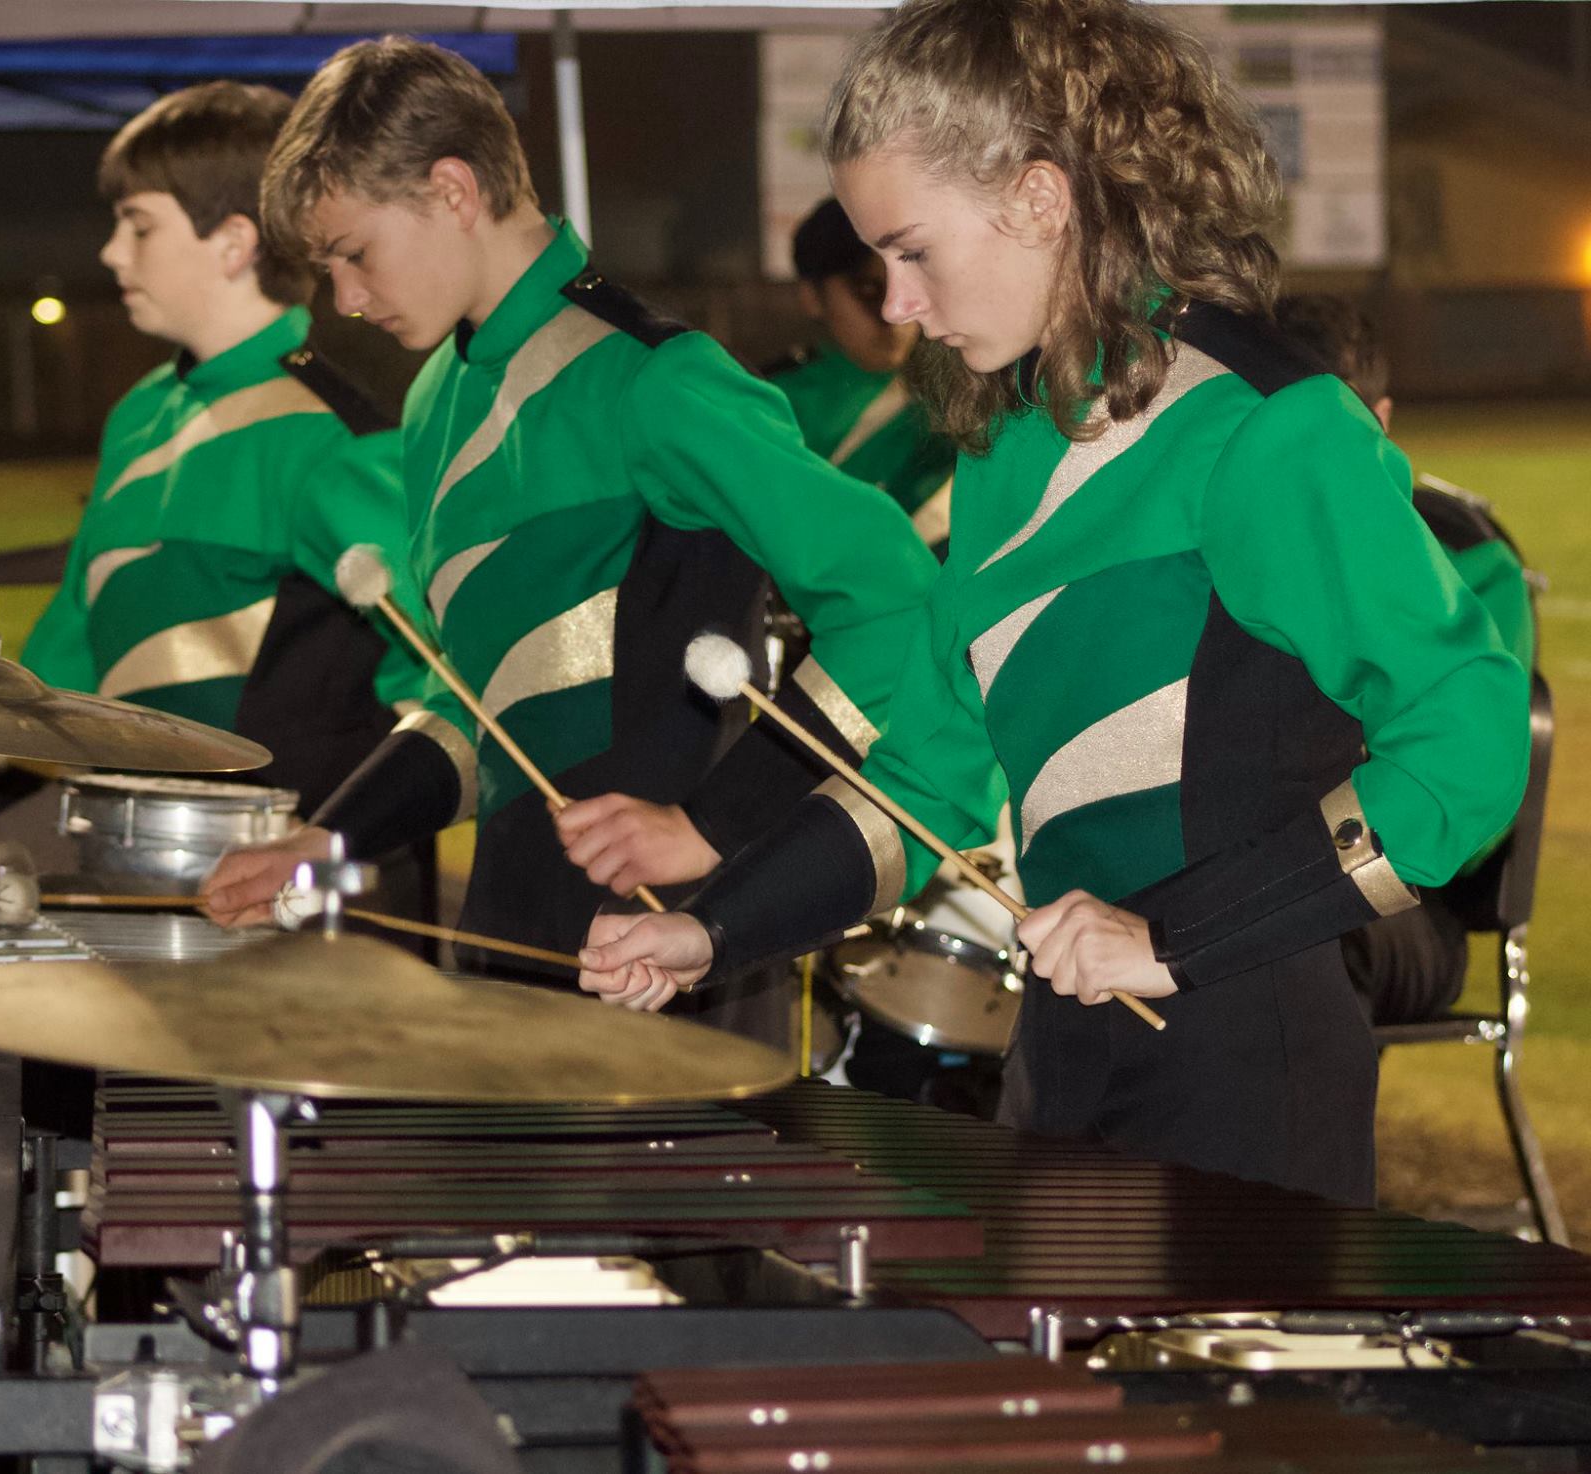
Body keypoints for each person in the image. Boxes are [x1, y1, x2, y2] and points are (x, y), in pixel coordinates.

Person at [576, 0, 1528, 1207]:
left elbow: (1468, 731)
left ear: (1038, 200)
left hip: (1244, 1066)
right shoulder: (1001, 445)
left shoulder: (1263, 428)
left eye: (912, 251)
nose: (895, 303)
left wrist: (1169, 936)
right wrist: (713, 929)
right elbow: (927, 774)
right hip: (1060, 1050)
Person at [200, 38, 939, 1004]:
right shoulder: (435, 401)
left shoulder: (653, 379)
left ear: (453, 190)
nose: (344, 299)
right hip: (508, 945)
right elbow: (486, 702)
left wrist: (713, 825)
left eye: (355, 254)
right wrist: (329, 837)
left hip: (667, 960)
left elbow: (896, 597)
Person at [0, 82, 421, 883]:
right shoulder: (142, 416)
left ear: (232, 242)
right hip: (136, 879)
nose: (112, 252)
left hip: (315, 919)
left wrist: (321, 847)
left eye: (138, 224)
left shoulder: (338, 440)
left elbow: (434, 695)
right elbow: (71, 658)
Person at [1275, 291, 1539, 1024]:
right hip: (1263, 860)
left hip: (1408, 898)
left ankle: (1308, 1139)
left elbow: (1465, 787)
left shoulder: (1467, 555)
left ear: (1380, 424)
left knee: (1295, 931)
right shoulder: (1238, 537)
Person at [770, 197, 956, 543]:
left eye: (912, 282)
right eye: (869, 290)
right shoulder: (771, 404)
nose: (895, 311)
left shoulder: (964, 393)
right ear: (812, 296)